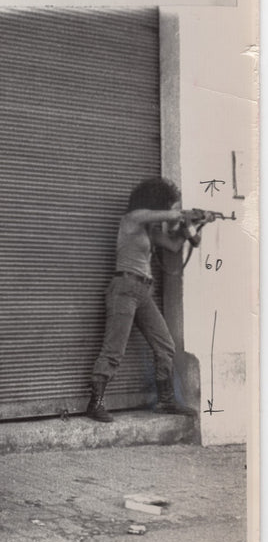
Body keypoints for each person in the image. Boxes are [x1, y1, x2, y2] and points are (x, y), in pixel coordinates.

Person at [87, 177, 215, 423]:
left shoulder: (149, 229)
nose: (172, 210)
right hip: (124, 287)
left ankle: (166, 401)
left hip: (143, 291)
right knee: (114, 350)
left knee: (166, 345)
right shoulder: (132, 220)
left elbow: (175, 246)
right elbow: (160, 216)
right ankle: (96, 403)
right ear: (157, 202)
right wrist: (182, 215)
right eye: (170, 205)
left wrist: (197, 226)